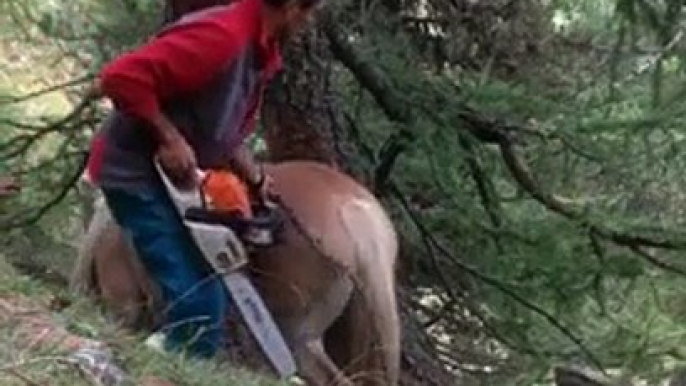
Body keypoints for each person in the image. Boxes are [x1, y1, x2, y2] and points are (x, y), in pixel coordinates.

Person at [84, 0, 321, 359]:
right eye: (307, 13)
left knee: (217, 280)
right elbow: (119, 78)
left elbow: (221, 127)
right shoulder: (221, 37)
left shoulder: (260, 48)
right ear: (290, 7)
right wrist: (169, 137)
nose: (307, 23)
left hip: (179, 179)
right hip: (135, 174)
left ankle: (172, 360)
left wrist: (253, 175)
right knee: (199, 305)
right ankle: (172, 368)